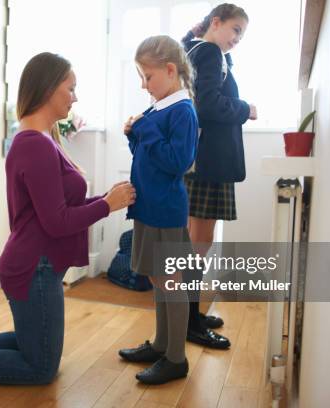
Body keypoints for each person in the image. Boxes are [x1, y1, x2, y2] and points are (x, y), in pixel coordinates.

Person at [0, 52, 136, 385]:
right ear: (49, 88)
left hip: (36, 263)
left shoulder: (39, 140)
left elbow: (59, 207)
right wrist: (107, 205)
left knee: (32, 345)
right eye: (71, 88)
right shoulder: (34, 145)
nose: (75, 96)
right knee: (41, 367)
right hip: (33, 267)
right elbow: (57, 222)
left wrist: (106, 199)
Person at [117, 35, 198, 385]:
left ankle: (176, 358)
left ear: (169, 70)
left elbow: (178, 161)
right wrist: (134, 135)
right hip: (149, 206)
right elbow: (149, 152)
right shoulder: (160, 107)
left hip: (166, 209)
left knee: (170, 282)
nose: (143, 85)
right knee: (155, 276)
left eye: (147, 77)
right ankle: (163, 343)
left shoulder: (183, 110)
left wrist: (146, 129)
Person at [181, 3, 257, 349]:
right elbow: (207, 104)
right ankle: (190, 321)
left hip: (206, 160)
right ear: (216, 22)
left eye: (242, 33)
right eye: (236, 29)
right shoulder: (210, 52)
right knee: (198, 244)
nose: (238, 38)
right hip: (208, 161)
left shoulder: (201, 50)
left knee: (196, 242)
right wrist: (246, 109)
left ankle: (190, 314)